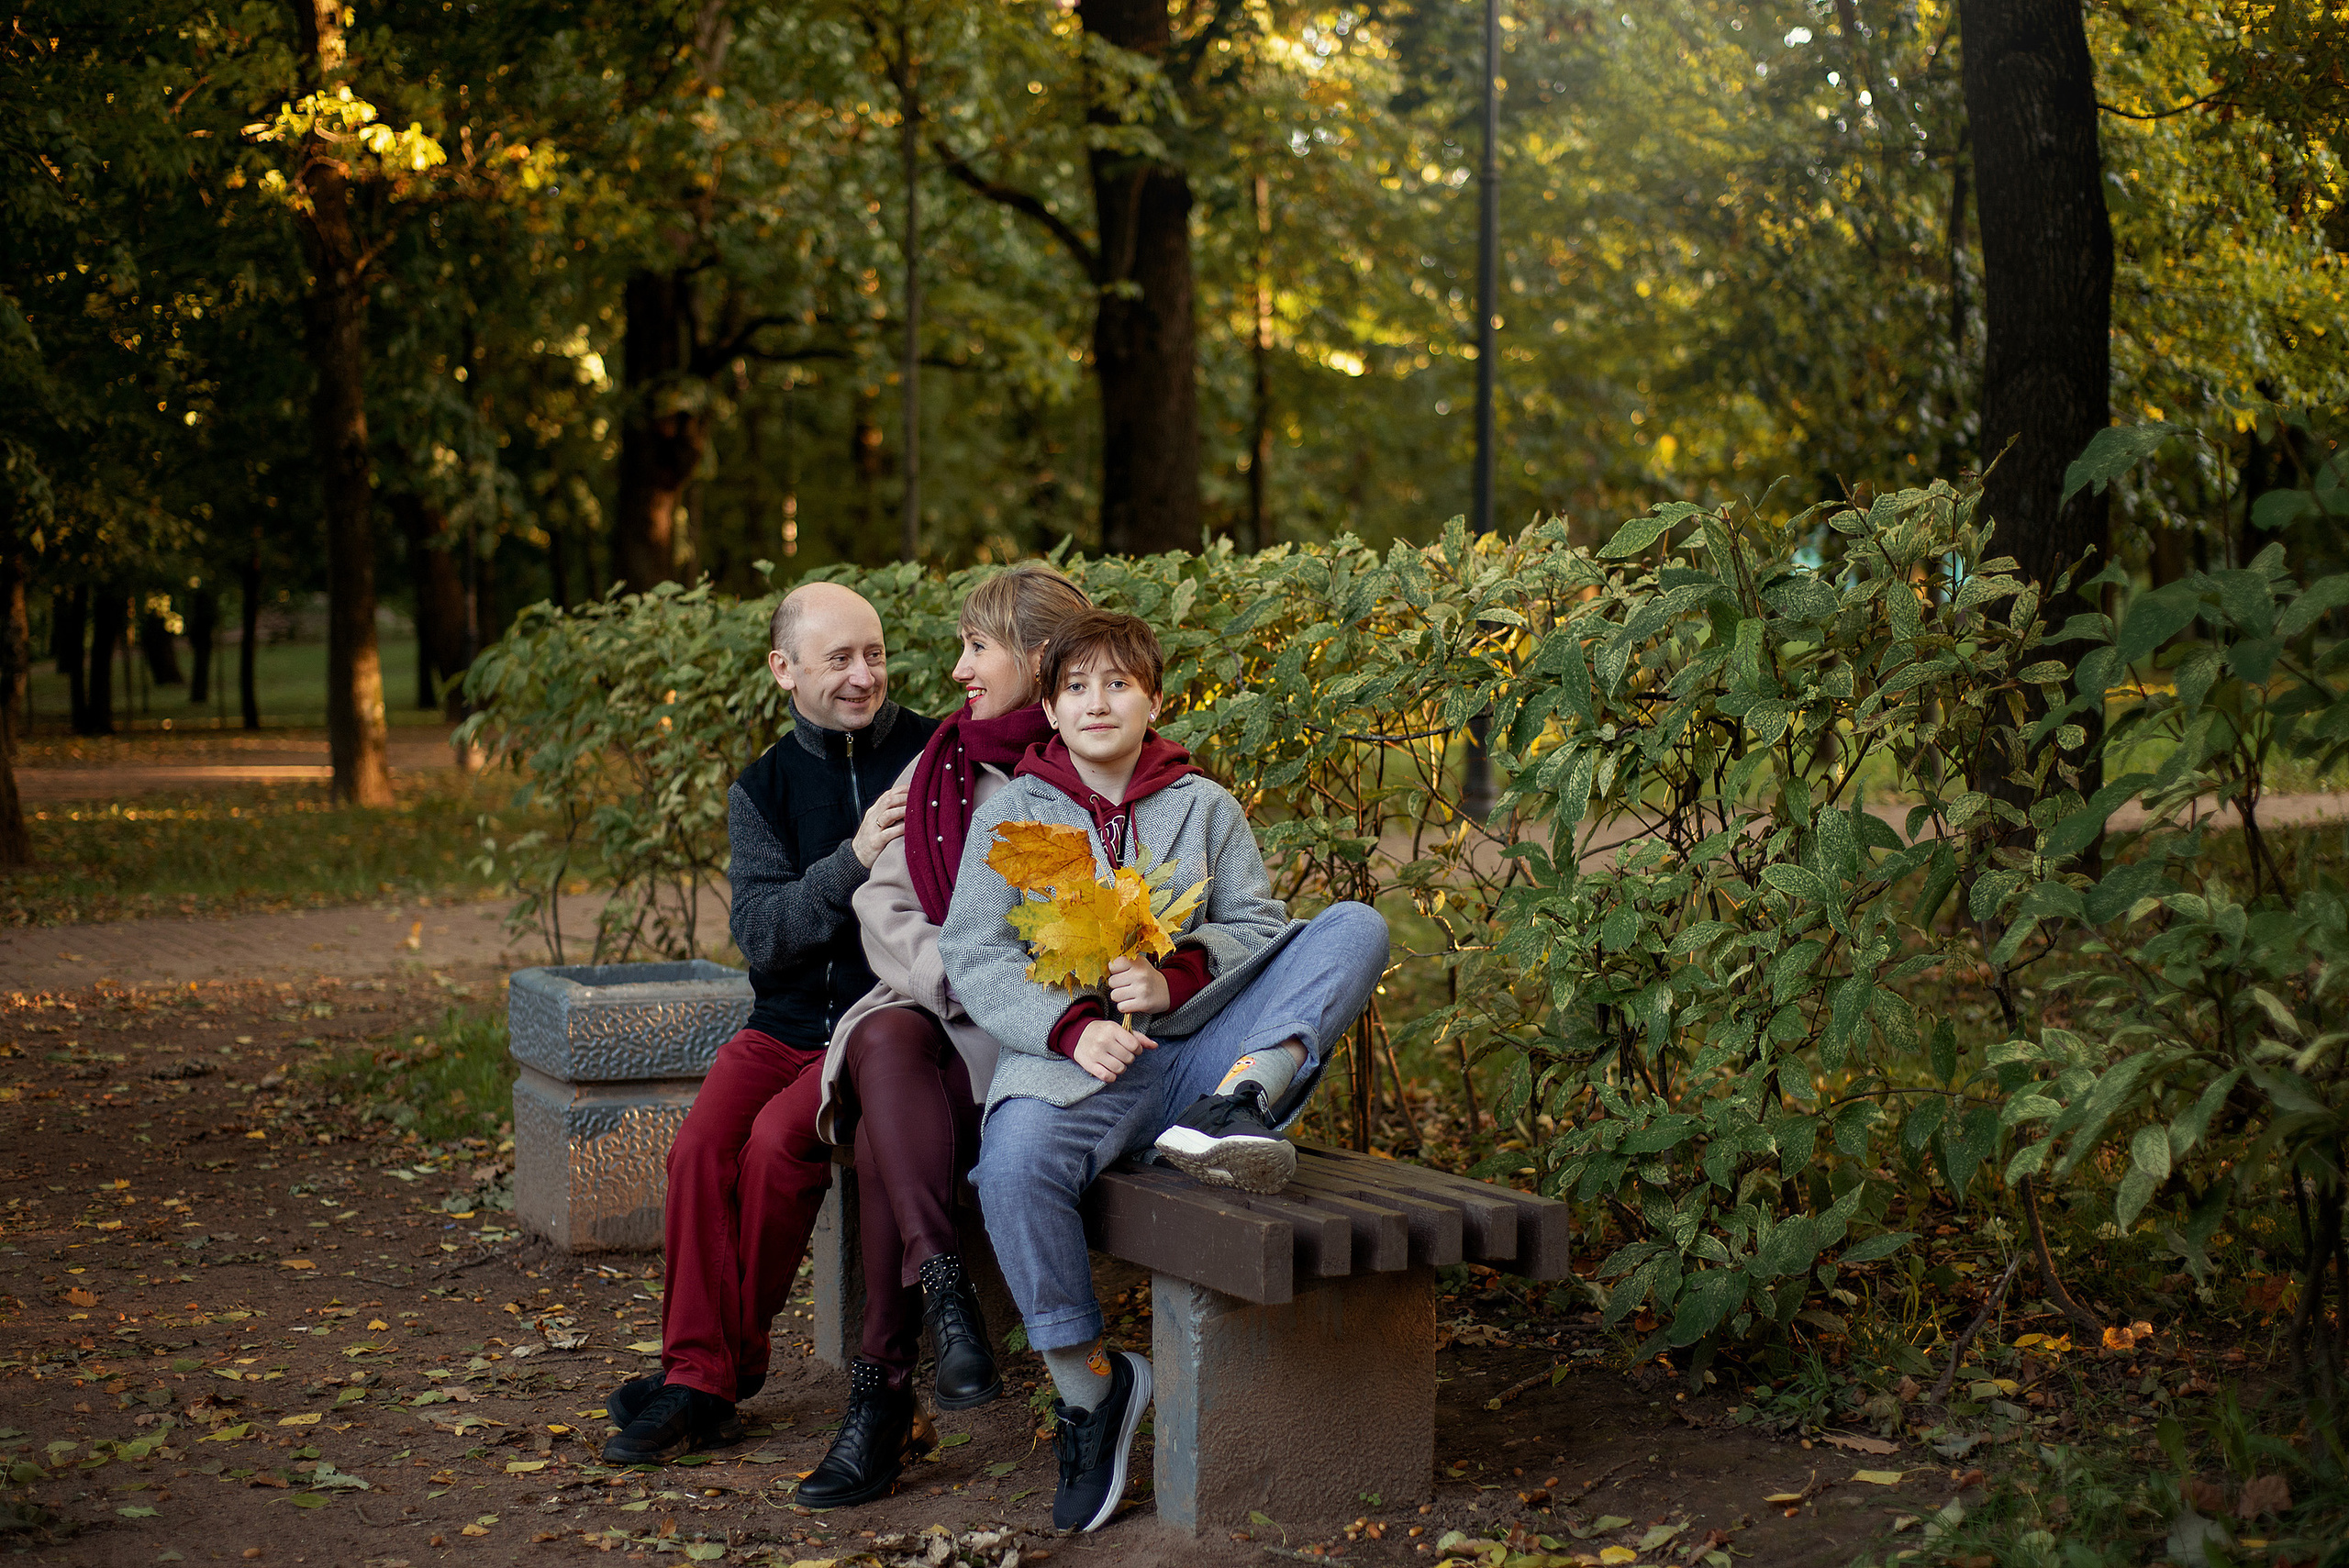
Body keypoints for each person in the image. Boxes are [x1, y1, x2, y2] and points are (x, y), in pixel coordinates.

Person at [939, 609, 1390, 1533]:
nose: (1096, 701)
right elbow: (974, 954)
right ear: (1051, 712)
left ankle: (1244, 1103)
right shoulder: (1012, 815)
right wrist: (1068, 1029)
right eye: (1075, 688)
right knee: (1011, 1168)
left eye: (1117, 683)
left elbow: (1261, 928)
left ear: (1153, 698)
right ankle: (1089, 1389)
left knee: (1354, 924)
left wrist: (1175, 970)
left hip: (1198, 1054)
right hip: (1075, 1070)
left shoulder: (1203, 805)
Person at [601, 581, 936, 1465]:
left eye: (875, 653)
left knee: (777, 1149)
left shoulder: (932, 751)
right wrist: (855, 858)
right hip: (783, 1021)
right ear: (784, 670)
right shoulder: (762, 788)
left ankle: (703, 1378)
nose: (864, 675)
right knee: (697, 1149)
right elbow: (763, 934)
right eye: (839, 659)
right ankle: (708, 1375)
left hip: (876, 1026)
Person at [793, 563, 1092, 1508]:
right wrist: (956, 973)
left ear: (1036, 658)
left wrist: (990, 989)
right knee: (882, 1048)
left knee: (884, 1118)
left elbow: (1087, 929)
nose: (958, 668)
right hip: (926, 1009)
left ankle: (880, 1393)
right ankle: (945, 1286)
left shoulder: (1085, 761)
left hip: (1018, 1045)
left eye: (977, 646)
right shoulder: (946, 759)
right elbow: (882, 897)